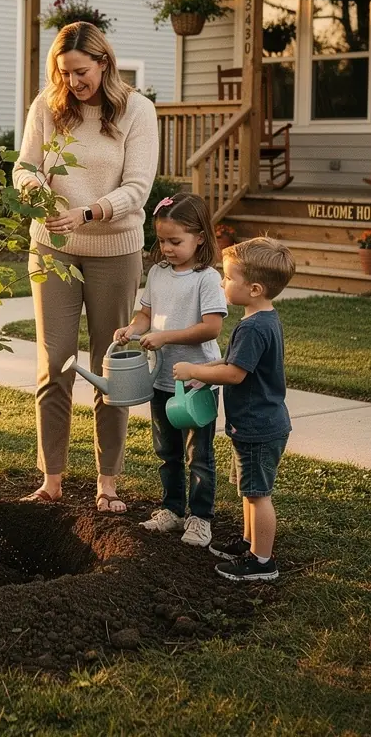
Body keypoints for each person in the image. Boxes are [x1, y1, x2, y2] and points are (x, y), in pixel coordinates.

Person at [13, 20, 158, 513]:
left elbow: (139, 186)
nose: (73, 83)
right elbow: (25, 166)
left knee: (109, 365)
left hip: (114, 248)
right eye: (64, 73)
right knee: (54, 364)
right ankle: (52, 480)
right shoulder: (47, 108)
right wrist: (34, 191)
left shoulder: (138, 110)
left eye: (81, 72)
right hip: (52, 248)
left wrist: (90, 211)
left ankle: (107, 483)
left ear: (103, 63)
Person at [173, 237, 296, 582]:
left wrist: (193, 370)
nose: (223, 282)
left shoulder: (254, 327)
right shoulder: (263, 318)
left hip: (259, 426)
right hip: (255, 423)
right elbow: (232, 363)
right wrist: (206, 378)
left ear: (254, 288)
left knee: (258, 495)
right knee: (248, 489)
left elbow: (235, 373)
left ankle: (262, 562)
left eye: (228, 278)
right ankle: (248, 542)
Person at [114, 192, 227, 547]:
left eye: (175, 241)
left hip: (197, 380)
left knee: (199, 454)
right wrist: (133, 329)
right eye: (162, 241)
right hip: (161, 379)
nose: (167, 248)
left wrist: (165, 336)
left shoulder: (206, 278)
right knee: (167, 452)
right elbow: (145, 313)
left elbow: (212, 327)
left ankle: (200, 517)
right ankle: (173, 510)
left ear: (200, 237)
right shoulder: (159, 273)